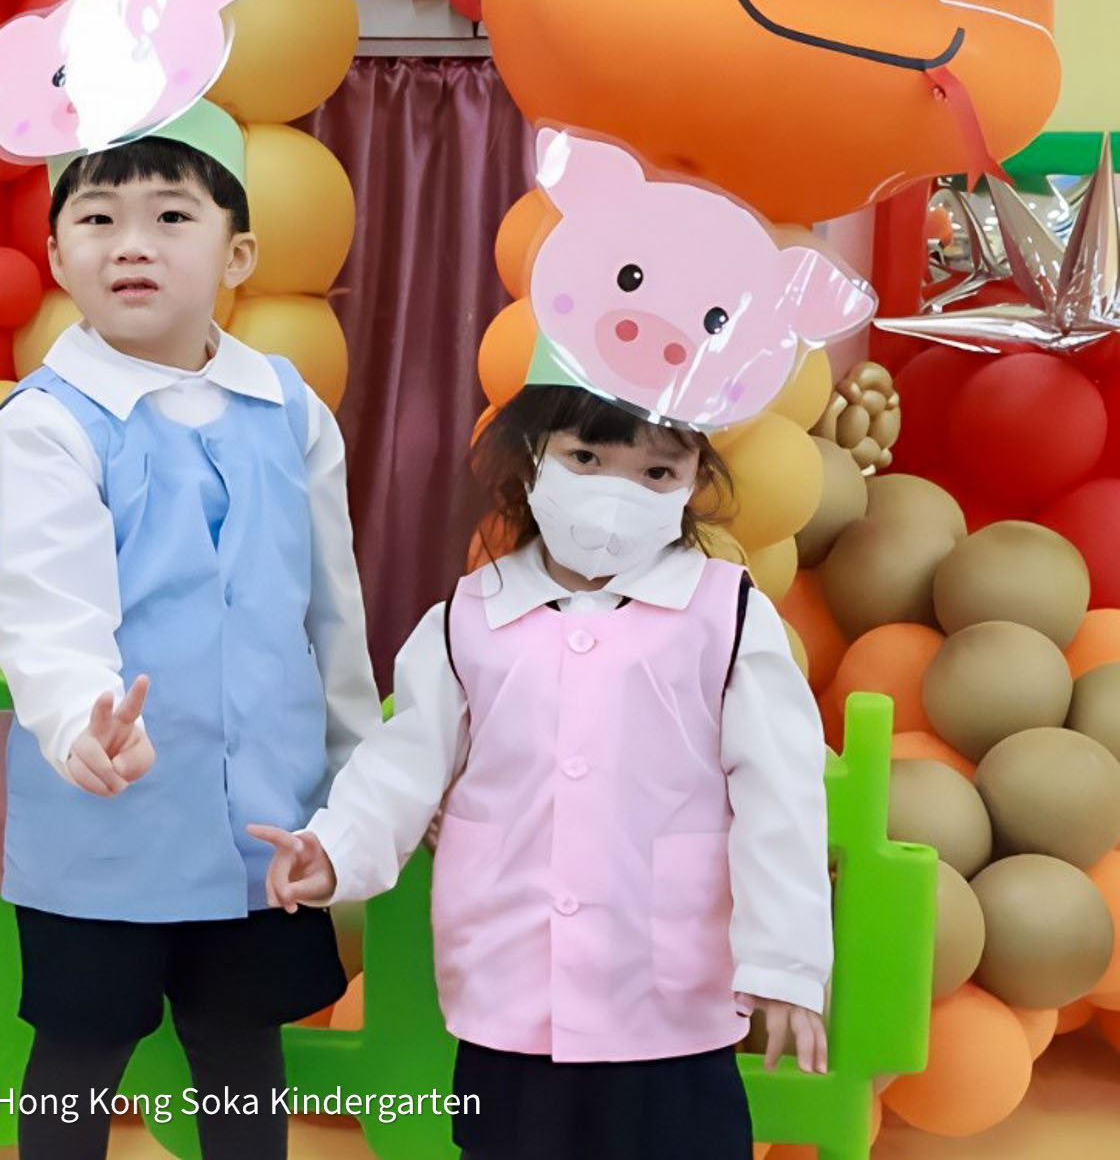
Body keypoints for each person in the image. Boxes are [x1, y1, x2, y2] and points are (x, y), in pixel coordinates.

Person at [251, 381, 834, 1160]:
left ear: (696, 478)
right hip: (514, 993)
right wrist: (336, 848)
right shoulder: (468, 619)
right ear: (533, 458)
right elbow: (402, 764)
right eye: (586, 458)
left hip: (667, 999)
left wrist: (786, 962)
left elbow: (780, 794)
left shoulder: (725, 615)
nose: (616, 492)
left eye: (656, 472)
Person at [0, 97, 384, 1160]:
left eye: (170, 216)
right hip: (104, 819)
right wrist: (81, 722)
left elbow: (331, 606)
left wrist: (356, 780)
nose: (132, 245)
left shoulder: (289, 408)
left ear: (236, 251)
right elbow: (47, 609)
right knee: (79, 1051)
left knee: (243, 1049)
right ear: (56, 254)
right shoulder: (47, 421)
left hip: (265, 821)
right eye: (97, 219)